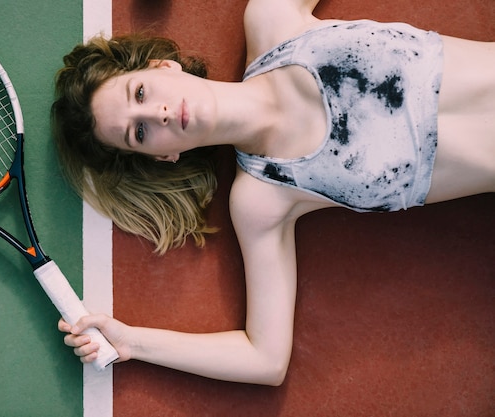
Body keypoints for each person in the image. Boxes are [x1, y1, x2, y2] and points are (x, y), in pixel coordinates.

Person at [52, 0, 494, 385]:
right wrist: (133, 341)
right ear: (163, 156)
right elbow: (264, 359)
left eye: (141, 92)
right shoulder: (263, 199)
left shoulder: (272, 17)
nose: (159, 113)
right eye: (140, 131)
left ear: (163, 66)